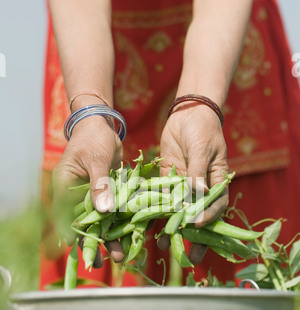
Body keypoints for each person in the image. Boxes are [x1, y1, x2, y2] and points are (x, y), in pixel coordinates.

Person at [39, 0, 300, 290]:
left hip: (224, 40)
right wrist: (90, 114)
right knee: (95, 199)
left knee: (248, 271)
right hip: (90, 57)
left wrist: (201, 105)